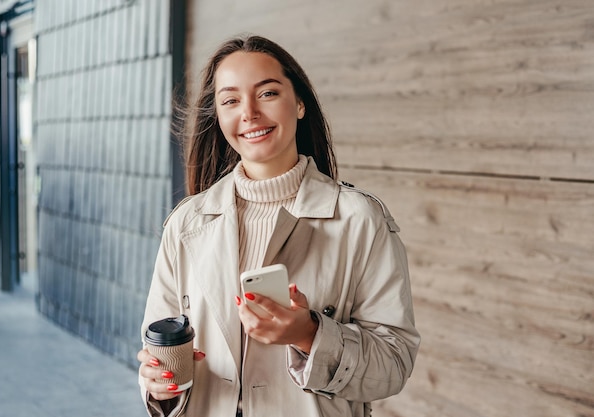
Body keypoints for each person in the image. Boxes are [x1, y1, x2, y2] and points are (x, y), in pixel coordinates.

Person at [137, 34, 420, 417]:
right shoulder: (187, 222)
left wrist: (309, 334)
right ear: (218, 116)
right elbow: (158, 351)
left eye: (267, 93)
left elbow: (394, 363)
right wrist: (158, 385)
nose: (249, 113)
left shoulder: (360, 219)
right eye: (231, 100)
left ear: (299, 103)